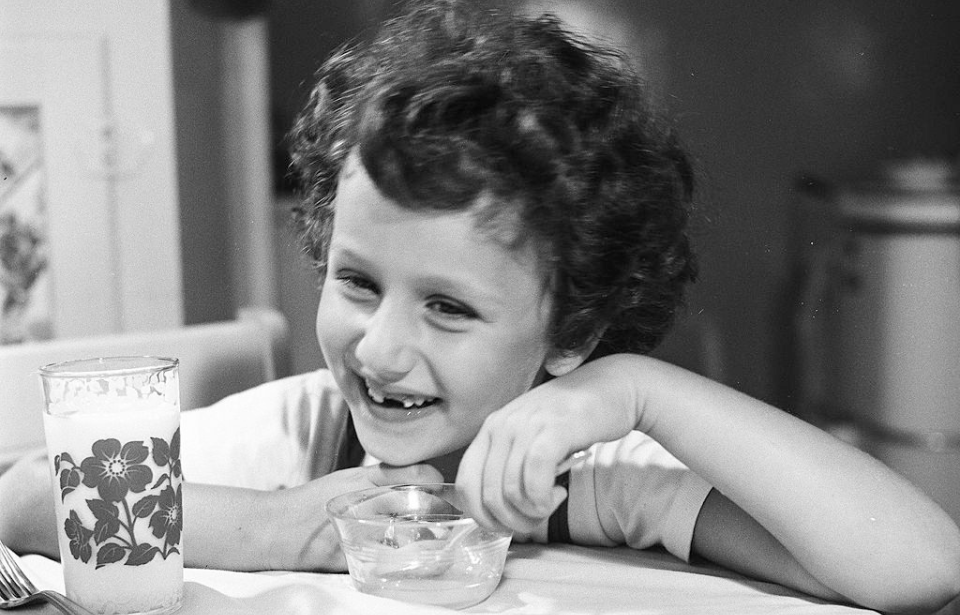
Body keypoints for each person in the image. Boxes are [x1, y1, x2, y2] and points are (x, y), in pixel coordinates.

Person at [2, 0, 959, 612]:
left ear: (573, 329)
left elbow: (919, 565)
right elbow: (27, 497)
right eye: (357, 281)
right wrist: (276, 525)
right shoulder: (300, 437)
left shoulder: (593, 481)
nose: (379, 348)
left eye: (448, 308)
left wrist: (642, 390)